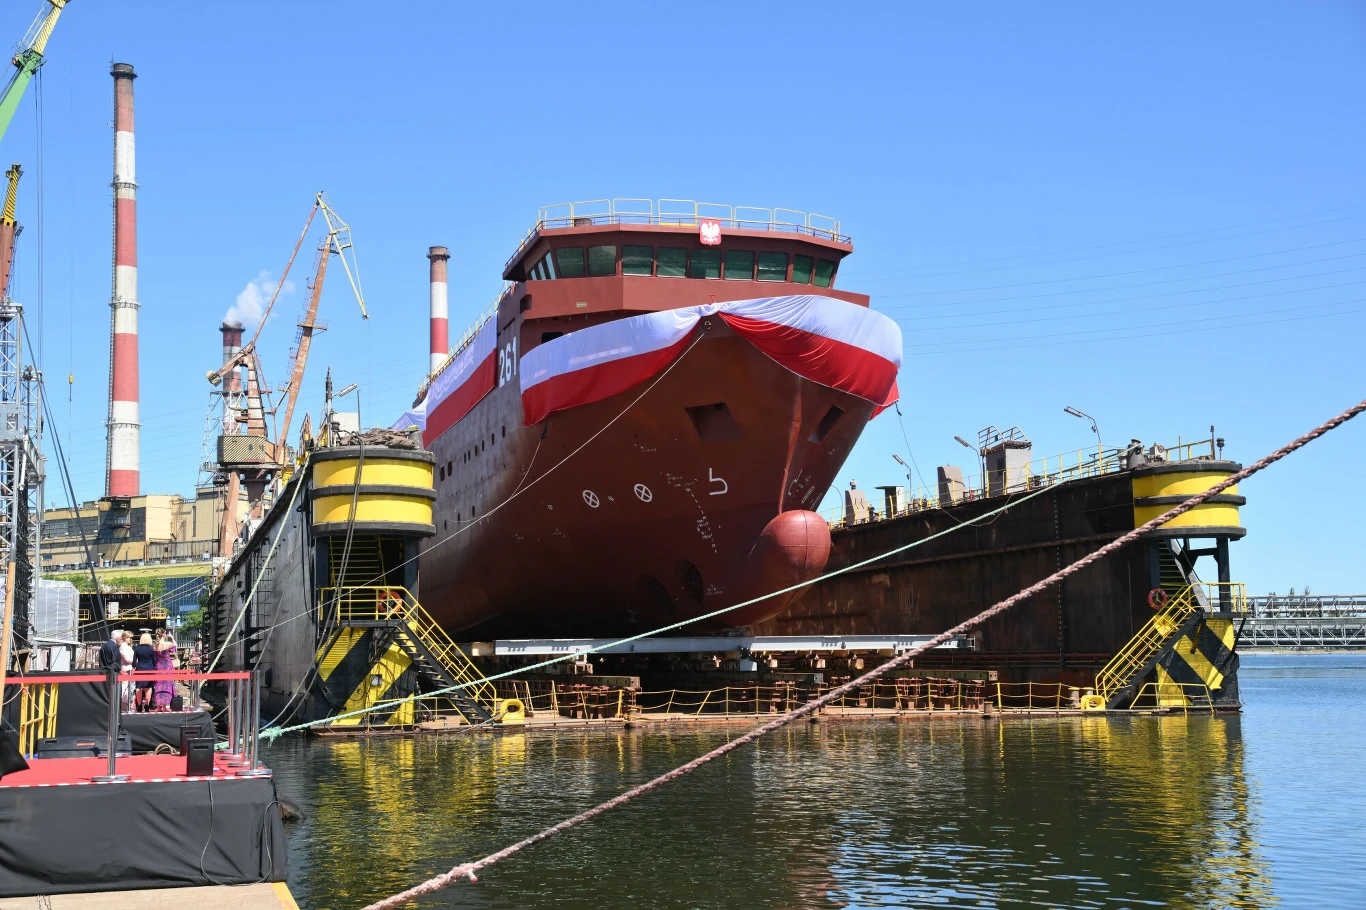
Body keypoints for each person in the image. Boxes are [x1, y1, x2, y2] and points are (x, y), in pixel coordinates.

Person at [132, 632, 157, 712]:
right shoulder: (151, 648)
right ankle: (146, 704)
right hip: (150, 669)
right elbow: (154, 660)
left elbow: (134, 661)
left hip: (139, 669)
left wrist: (134, 667)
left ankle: (139, 705)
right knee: (149, 686)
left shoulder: (137, 648)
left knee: (138, 687)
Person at [153, 631, 176, 711]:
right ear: (163, 634)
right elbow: (175, 648)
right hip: (167, 667)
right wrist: (172, 637)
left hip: (159, 666)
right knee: (167, 686)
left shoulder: (155, 645)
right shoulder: (168, 644)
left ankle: (158, 706)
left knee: (159, 686)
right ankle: (164, 706)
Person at [119, 631, 136, 711]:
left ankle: (126, 704)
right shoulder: (123, 646)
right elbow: (128, 659)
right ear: (125, 638)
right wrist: (135, 661)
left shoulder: (128, 646)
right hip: (125, 669)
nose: (130, 639)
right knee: (124, 687)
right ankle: (123, 705)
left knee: (129, 687)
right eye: (129, 638)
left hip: (129, 669)